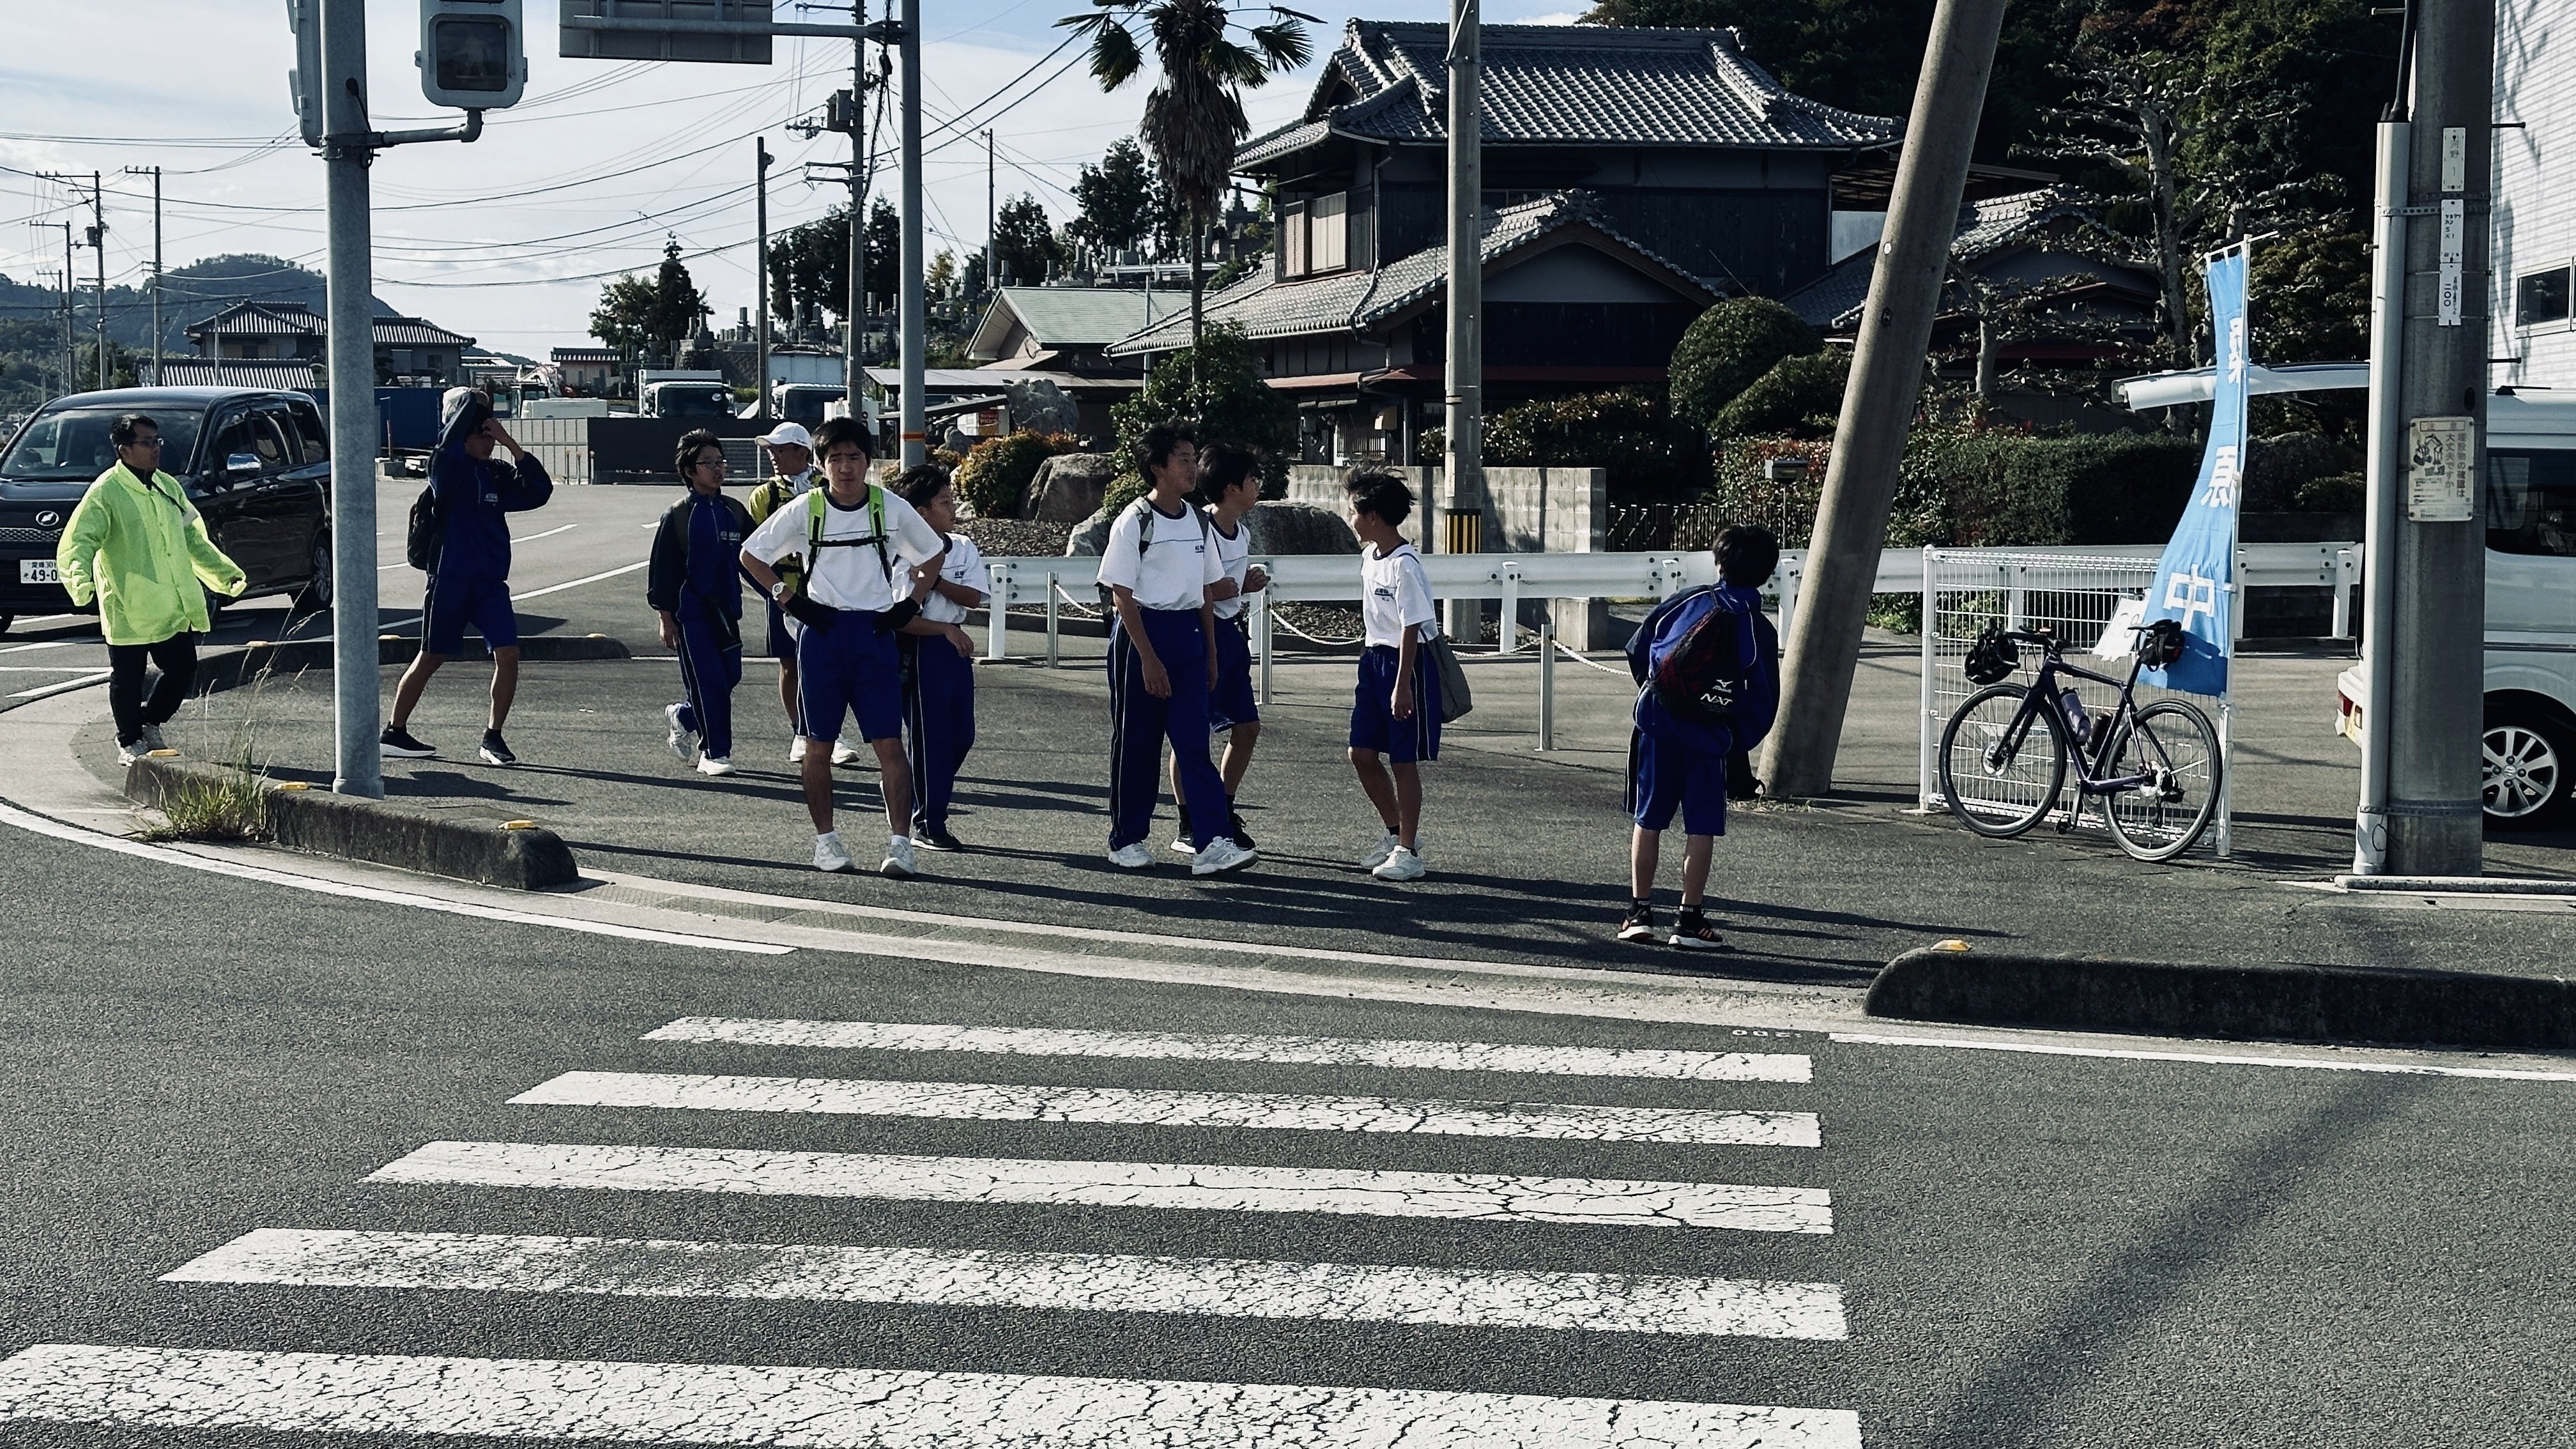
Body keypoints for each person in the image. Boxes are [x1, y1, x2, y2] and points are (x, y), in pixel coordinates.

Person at [738, 415, 950, 877]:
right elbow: (751, 555)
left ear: (868, 462)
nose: (846, 467)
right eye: (835, 458)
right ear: (821, 464)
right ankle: (827, 843)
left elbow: (933, 550)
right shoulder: (805, 508)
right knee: (818, 746)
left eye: (854, 457)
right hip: (823, 636)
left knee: (889, 744)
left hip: (875, 636)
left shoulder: (889, 506)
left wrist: (908, 604)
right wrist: (790, 601)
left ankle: (900, 844)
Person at [1096, 422, 1257, 877]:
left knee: (1193, 743)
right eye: (1182, 459)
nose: (1192, 467)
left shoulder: (1197, 520)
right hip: (1141, 635)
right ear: (1157, 468)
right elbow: (1121, 595)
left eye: (1192, 457)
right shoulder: (1134, 521)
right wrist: (1148, 657)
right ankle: (1126, 839)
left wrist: (1210, 652)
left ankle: (1211, 841)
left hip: (1187, 635)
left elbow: (1206, 591)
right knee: (1137, 744)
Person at [1618, 525, 1781, 950]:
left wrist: (1657, 699)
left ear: (1720, 562)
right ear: (1767, 573)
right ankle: (1689, 921)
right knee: (1701, 827)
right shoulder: (1757, 627)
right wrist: (1732, 738)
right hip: (1710, 739)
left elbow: (1639, 648)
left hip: (1657, 725)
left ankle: (1638, 913)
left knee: (1649, 819)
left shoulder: (1687, 601)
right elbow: (1764, 701)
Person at [54, 413, 248, 767]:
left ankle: (150, 723)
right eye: (147, 442)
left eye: (157, 441)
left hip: (169, 601)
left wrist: (224, 573)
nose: (156, 449)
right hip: (127, 601)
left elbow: (193, 539)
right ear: (124, 449)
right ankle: (129, 740)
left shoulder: (168, 487)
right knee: (127, 678)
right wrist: (80, 584)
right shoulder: (105, 492)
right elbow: (78, 542)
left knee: (183, 668)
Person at [382, 387, 553, 765]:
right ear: (463, 434)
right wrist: (472, 405)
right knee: (431, 656)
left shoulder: (496, 473)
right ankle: (395, 731)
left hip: (490, 583)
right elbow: (447, 446)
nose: (488, 442)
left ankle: (493, 737)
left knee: (509, 654)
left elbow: (540, 491)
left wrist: (509, 443)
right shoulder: (448, 470)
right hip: (449, 579)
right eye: (482, 435)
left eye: (490, 434)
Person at [1167, 440, 1266, 854]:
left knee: (1247, 728)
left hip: (1232, 635)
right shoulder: (1199, 527)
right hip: (1200, 636)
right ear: (1230, 488)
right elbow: (1189, 584)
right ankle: (1189, 822)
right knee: (1192, 736)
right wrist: (1229, 586)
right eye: (1253, 478)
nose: (1259, 484)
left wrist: (1243, 585)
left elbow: (1228, 588)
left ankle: (1222, 811)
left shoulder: (1240, 531)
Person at [1344, 470, 1440, 882]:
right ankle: (1396, 833)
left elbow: (1412, 626)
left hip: (1407, 664)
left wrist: (1403, 685)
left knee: (1403, 760)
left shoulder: (1405, 564)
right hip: (1374, 659)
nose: (1350, 517)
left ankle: (1408, 850)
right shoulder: (1370, 557)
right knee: (1361, 753)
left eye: (1355, 511)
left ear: (1375, 517)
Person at [648, 429, 755, 777]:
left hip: (727, 614)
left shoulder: (734, 512)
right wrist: (666, 618)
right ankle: (714, 752)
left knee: (730, 676)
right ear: (690, 471)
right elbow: (662, 572)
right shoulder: (677, 516)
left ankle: (684, 716)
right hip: (690, 615)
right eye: (707, 463)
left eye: (720, 462)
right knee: (708, 682)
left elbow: (754, 559)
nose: (717, 469)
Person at [893, 464, 983, 851]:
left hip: (954, 648)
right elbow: (899, 618)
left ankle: (914, 795)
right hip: (919, 650)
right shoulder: (900, 550)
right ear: (921, 511)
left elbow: (975, 597)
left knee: (963, 735)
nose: (953, 509)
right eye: (944, 502)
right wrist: (944, 628)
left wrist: (935, 580)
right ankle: (929, 822)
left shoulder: (961, 546)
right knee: (930, 739)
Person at [746, 421, 822, 763]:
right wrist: (773, 591)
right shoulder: (764, 496)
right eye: (771, 450)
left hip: (827, 591)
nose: (773, 456)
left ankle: (828, 731)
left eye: (780, 449)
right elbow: (755, 550)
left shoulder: (828, 486)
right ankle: (799, 731)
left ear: (803, 452)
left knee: (825, 664)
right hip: (783, 592)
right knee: (790, 664)